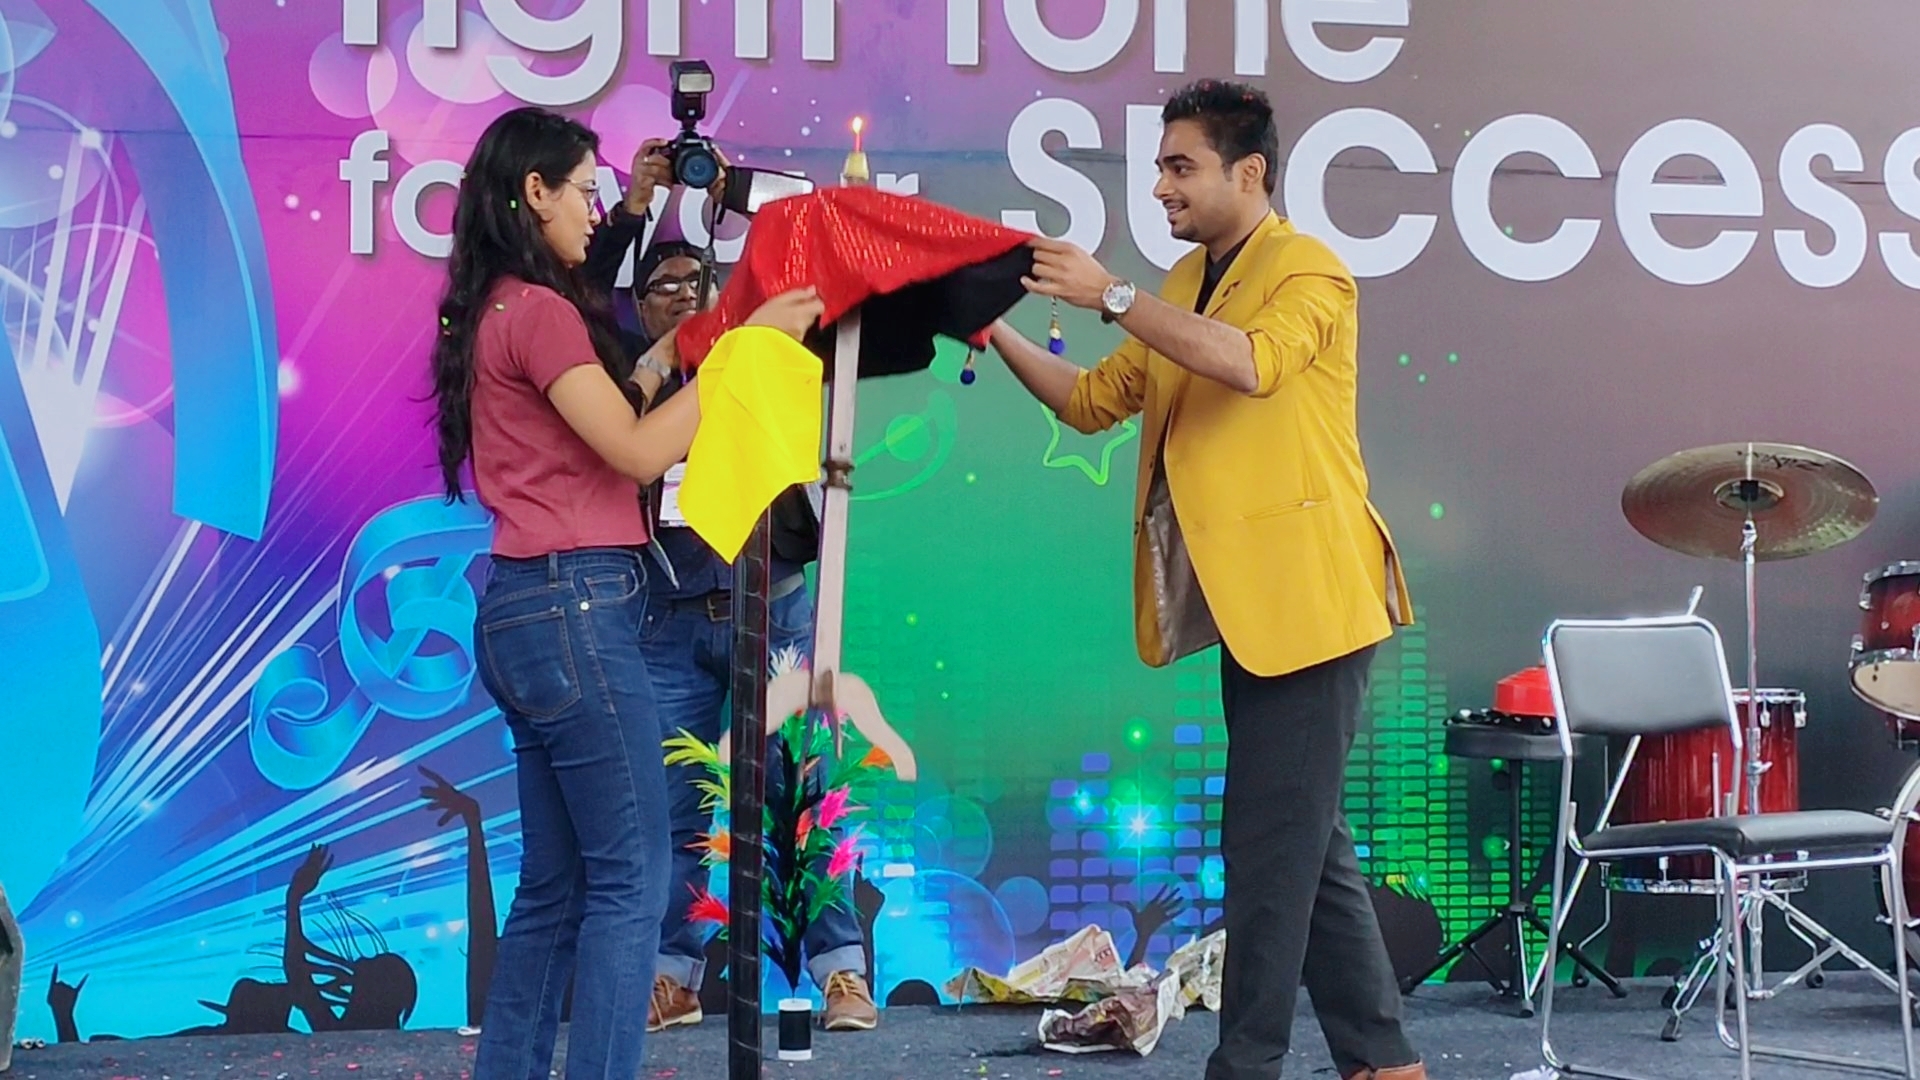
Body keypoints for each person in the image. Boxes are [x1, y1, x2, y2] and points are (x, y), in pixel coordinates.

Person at [988, 80, 1425, 1080]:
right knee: (1305, 843)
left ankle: (1248, 1065)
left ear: (1250, 172)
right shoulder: (1186, 281)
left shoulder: (1310, 269)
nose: (1161, 187)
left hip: (1315, 604)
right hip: (1251, 611)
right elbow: (1091, 402)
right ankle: (1384, 1060)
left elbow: (1254, 364)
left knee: (1271, 850)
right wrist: (991, 332)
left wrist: (1110, 295)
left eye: (1180, 167)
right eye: (1160, 167)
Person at [427, 105, 822, 1080]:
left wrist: (676, 354)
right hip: (578, 612)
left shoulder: (497, 309)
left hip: (523, 609)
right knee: (633, 881)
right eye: (583, 190)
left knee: (555, 889)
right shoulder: (543, 310)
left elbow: (614, 409)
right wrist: (741, 354)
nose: (596, 209)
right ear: (535, 193)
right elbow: (640, 449)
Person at [581, 139, 880, 1034]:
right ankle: (673, 976)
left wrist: (728, 187)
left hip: (772, 604)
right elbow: (583, 296)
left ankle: (840, 972)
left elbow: (819, 247)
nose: (682, 294)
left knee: (802, 792)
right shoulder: (620, 378)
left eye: (697, 281)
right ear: (638, 306)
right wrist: (634, 207)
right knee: (674, 806)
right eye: (662, 286)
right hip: (668, 617)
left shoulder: (766, 350)